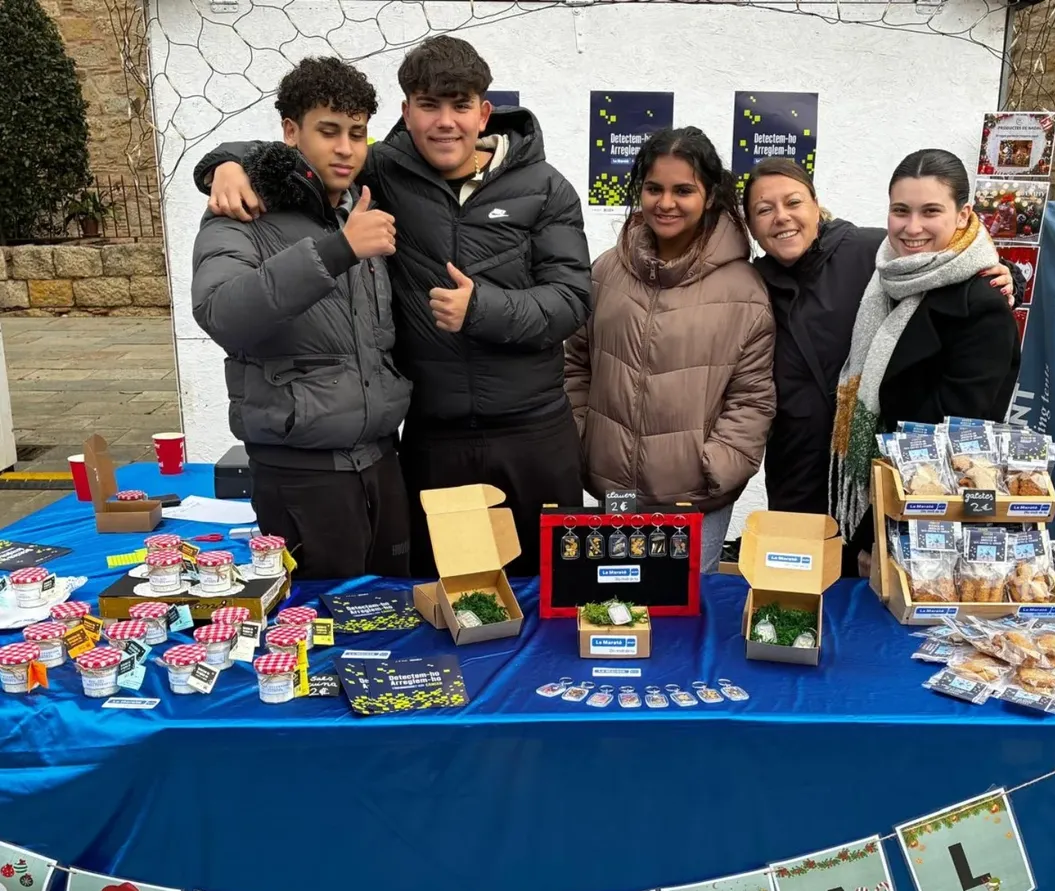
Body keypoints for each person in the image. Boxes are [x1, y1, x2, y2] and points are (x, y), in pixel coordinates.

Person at [194, 35, 592, 578]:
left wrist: (484, 309)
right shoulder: (380, 172)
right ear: (407, 113)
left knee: (553, 586)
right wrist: (226, 164)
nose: (445, 121)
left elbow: (572, 300)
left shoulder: (546, 188)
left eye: (459, 105)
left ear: (484, 112)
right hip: (434, 435)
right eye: (429, 105)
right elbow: (306, 151)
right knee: (440, 593)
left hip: (534, 431)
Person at [190, 57, 411, 580]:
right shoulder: (245, 210)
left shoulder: (358, 205)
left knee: (395, 621)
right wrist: (336, 251)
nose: (345, 149)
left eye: (357, 134)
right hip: (302, 472)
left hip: (382, 461)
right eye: (328, 131)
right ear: (291, 131)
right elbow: (221, 312)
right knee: (317, 634)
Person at [743, 158, 1018, 529]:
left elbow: (963, 425)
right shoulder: (749, 285)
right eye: (764, 209)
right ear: (751, 227)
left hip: (897, 493)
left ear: (816, 204)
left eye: (793, 202)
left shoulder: (870, 256)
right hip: (797, 475)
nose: (781, 217)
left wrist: (1007, 273)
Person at [564, 127, 775, 572]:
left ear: (710, 195)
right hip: (615, 490)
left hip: (695, 498)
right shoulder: (606, 271)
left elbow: (752, 398)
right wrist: (583, 437)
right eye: (653, 188)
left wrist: (714, 466)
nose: (666, 203)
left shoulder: (744, 290)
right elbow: (575, 363)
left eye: (683, 190)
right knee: (621, 606)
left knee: (686, 617)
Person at [830, 148, 1022, 561]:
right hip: (880, 507)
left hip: (929, 521)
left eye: (930, 211)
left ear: (964, 215)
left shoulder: (980, 304)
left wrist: (875, 534)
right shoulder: (885, 278)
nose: (912, 227)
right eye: (901, 210)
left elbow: (954, 441)